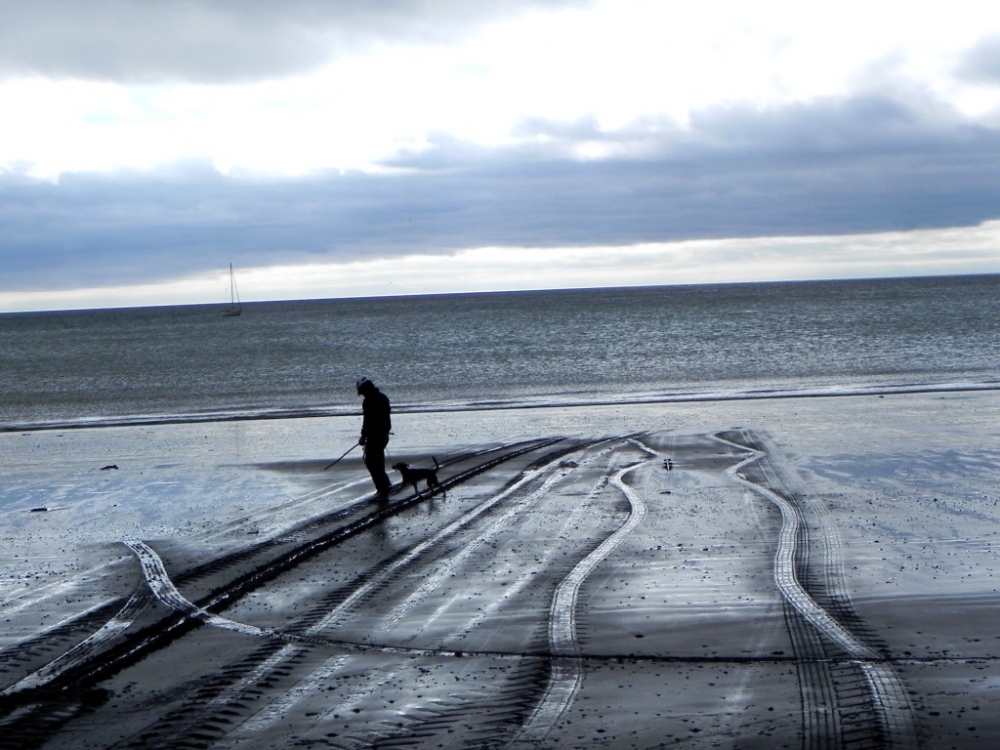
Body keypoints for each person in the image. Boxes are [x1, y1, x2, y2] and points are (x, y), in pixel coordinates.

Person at [356, 377, 393, 499]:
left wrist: (363, 436)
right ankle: (385, 486)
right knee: (377, 461)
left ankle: (383, 489)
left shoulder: (369, 402)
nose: (362, 395)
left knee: (371, 462)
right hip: (382, 435)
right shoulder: (382, 398)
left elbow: (368, 421)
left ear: (366, 389)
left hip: (376, 436)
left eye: (362, 392)